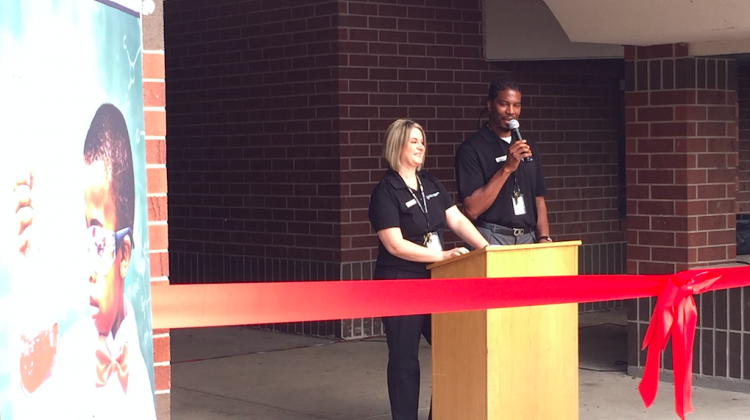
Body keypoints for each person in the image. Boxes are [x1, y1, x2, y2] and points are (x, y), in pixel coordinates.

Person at [368, 119, 490, 420]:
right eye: (413, 141)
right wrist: (442, 253)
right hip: (401, 282)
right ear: (397, 145)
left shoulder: (431, 183)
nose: (421, 146)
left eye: (422, 140)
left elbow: (457, 221)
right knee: (404, 359)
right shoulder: (385, 191)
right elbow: (394, 244)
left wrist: (488, 249)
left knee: (453, 348)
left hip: (437, 279)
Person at [83, 103, 157, 420]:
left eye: (97, 242)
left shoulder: (137, 372)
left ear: (124, 254)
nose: (85, 270)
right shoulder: (66, 358)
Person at [455, 77, 552, 245]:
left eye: (517, 105)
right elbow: (472, 210)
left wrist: (544, 236)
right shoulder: (472, 148)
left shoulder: (527, 146)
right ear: (490, 105)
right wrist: (507, 168)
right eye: (504, 104)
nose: (511, 111)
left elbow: (538, 198)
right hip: (491, 236)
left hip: (529, 237)